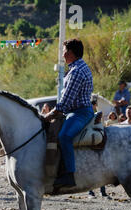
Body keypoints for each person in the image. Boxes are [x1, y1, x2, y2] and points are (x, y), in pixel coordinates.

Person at [44, 39, 94, 188]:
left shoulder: (76, 71)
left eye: (64, 51)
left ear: (71, 53)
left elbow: (65, 102)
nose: (63, 55)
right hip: (76, 111)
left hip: (80, 113)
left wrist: (48, 116)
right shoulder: (77, 67)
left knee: (64, 136)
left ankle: (69, 175)